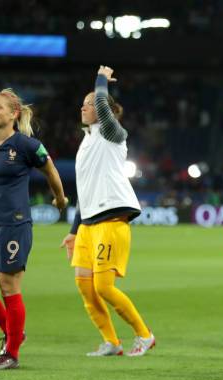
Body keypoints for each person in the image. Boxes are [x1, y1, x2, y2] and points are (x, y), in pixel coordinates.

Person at [0, 88, 68, 370]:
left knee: (8, 286)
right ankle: (14, 331)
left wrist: (59, 198)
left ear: (14, 114)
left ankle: (11, 353)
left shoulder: (27, 146)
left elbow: (51, 170)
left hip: (14, 226)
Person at [60, 66, 154, 357]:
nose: (84, 107)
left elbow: (102, 102)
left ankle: (144, 334)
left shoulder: (113, 134)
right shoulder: (86, 141)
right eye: (84, 103)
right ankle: (111, 342)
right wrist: (74, 231)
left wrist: (100, 80)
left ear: (106, 111)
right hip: (88, 225)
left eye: (90, 103)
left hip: (112, 220)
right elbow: (85, 191)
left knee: (103, 287)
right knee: (86, 288)